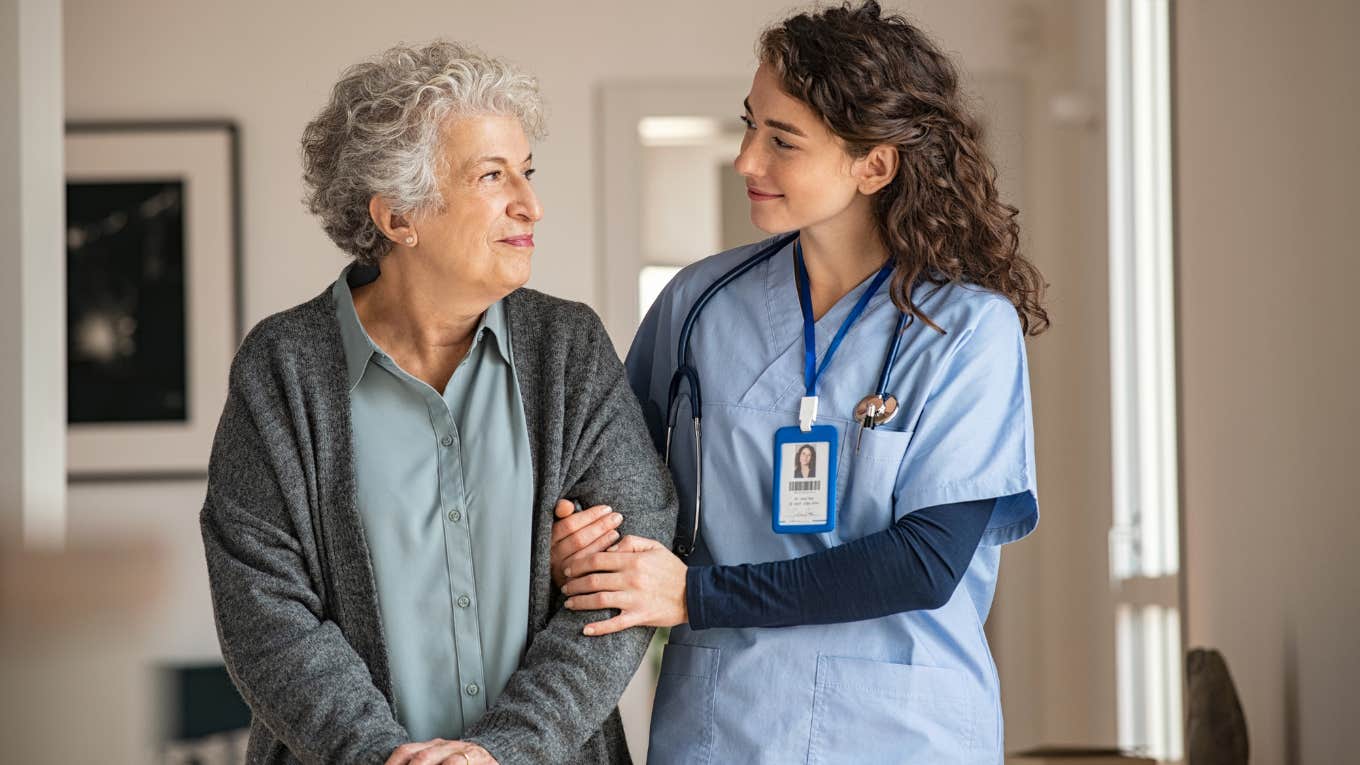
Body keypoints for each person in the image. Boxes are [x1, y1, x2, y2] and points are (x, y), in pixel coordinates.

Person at [548, 3, 1047, 762]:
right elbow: (615, 490)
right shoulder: (696, 307)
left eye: (782, 140)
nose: (747, 160)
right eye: (751, 125)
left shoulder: (967, 330)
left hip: (901, 735)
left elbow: (925, 560)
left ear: (873, 165)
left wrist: (695, 595)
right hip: (724, 728)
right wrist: (574, 540)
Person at [199, 41, 675, 765]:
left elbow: (626, 579)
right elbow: (263, 612)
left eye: (527, 170)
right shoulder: (283, 368)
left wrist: (503, 751)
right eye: (493, 175)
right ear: (397, 217)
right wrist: (380, 754)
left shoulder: (569, 348)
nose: (531, 203)